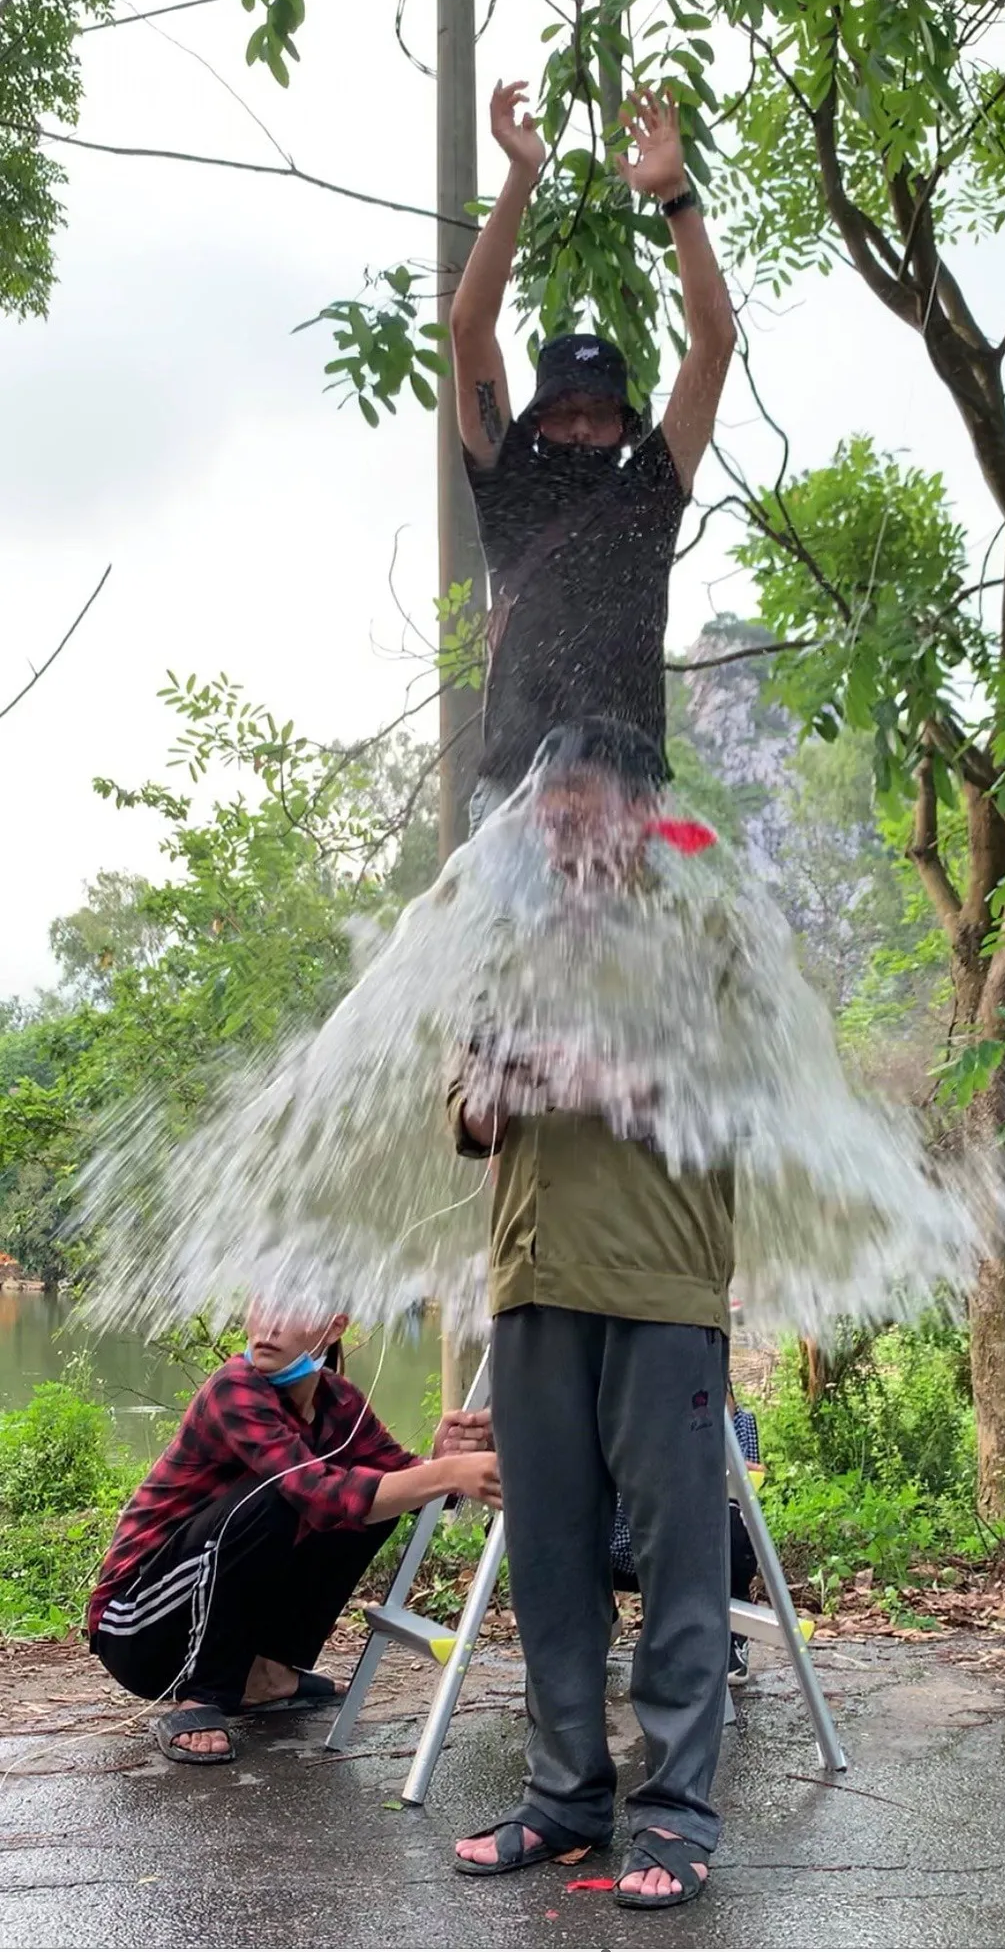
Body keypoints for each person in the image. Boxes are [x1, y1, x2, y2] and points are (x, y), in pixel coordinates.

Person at [449, 721, 735, 1913]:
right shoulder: (504, 943)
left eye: (581, 813)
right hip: (528, 1277)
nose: (559, 836)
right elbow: (465, 1115)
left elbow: (736, 1091)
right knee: (551, 1548)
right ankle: (565, 1796)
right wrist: (497, 1090)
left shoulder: (704, 926)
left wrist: (593, 1071)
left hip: (659, 1281)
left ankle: (676, 1813)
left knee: (676, 1554)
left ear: (636, 815)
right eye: (546, 816)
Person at [450, 81, 735, 832]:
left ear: (622, 427)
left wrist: (676, 197)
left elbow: (714, 345)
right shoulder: (507, 483)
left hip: (631, 798)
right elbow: (469, 326)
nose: (581, 428)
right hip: (514, 799)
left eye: (598, 414)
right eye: (565, 411)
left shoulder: (651, 488)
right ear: (540, 421)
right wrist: (520, 177)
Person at [88, 1307, 500, 1765]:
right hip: (137, 1627)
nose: (269, 1327)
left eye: (292, 1310)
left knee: (374, 1499)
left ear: (335, 1326)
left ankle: (266, 1675)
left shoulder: (338, 1402)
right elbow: (317, 1491)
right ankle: (203, 1696)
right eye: (261, 1308)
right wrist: (445, 1474)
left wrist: (439, 1462)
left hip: (201, 1615)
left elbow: (402, 1482)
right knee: (278, 1497)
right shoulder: (235, 1388)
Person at [611, 1386, 762, 1686]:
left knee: (731, 1513)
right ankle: (596, 1613)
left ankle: (730, 1633)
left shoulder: (731, 1419)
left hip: (687, 1539)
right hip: (616, 1539)